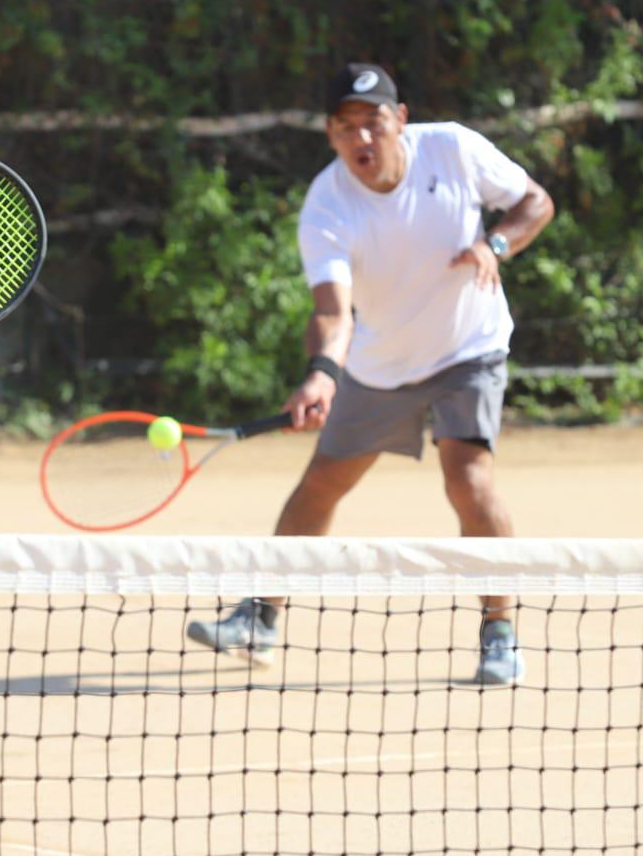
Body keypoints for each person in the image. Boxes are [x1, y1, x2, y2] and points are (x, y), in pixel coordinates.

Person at [187, 62, 554, 685]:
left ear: (400, 120)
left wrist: (495, 247)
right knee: (321, 485)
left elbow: (535, 202)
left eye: (373, 122)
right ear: (330, 135)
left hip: (469, 345)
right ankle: (262, 618)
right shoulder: (326, 204)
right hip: (380, 362)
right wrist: (322, 375)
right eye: (345, 127)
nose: (362, 138)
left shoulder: (453, 149)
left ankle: (500, 632)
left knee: (468, 477)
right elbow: (332, 311)